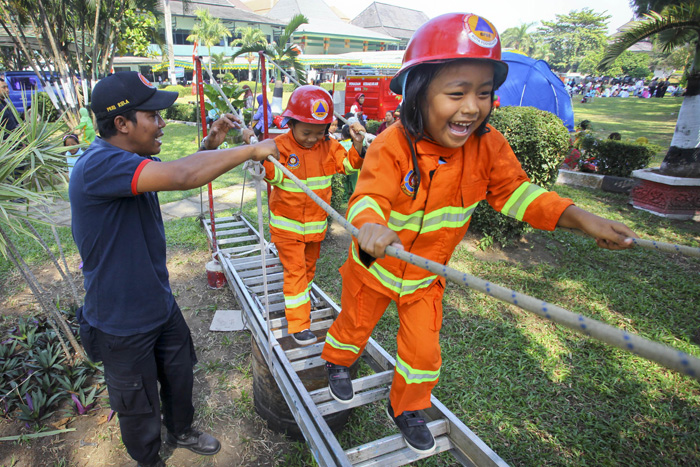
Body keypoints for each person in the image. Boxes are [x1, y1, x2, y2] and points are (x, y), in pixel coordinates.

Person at [320, 13, 637, 455]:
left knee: (424, 352)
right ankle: (338, 363)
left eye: (484, 93)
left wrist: (581, 217)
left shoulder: (488, 146)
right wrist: (370, 224)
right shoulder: (392, 143)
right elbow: (369, 195)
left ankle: (409, 407)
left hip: (426, 277)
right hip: (374, 265)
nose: (472, 107)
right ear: (417, 94)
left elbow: (519, 194)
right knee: (354, 323)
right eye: (457, 93)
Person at [69, 71, 278, 467]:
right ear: (122, 123)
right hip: (119, 321)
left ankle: (181, 429)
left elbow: (180, 167)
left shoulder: (130, 159)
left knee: (180, 374)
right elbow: (184, 176)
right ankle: (150, 459)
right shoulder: (98, 165)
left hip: (158, 303)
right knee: (138, 403)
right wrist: (253, 150)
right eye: (154, 115)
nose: (163, 123)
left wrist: (210, 143)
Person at [261, 85, 365, 346]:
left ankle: (300, 303)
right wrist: (258, 156)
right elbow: (269, 174)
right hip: (288, 230)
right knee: (295, 273)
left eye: (319, 132)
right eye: (306, 132)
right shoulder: (279, 147)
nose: (311, 138)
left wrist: (358, 144)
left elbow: (349, 164)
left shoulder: (328, 147)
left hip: (315, 228)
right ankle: (298, 324)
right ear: (291, 123)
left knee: (307, 271)